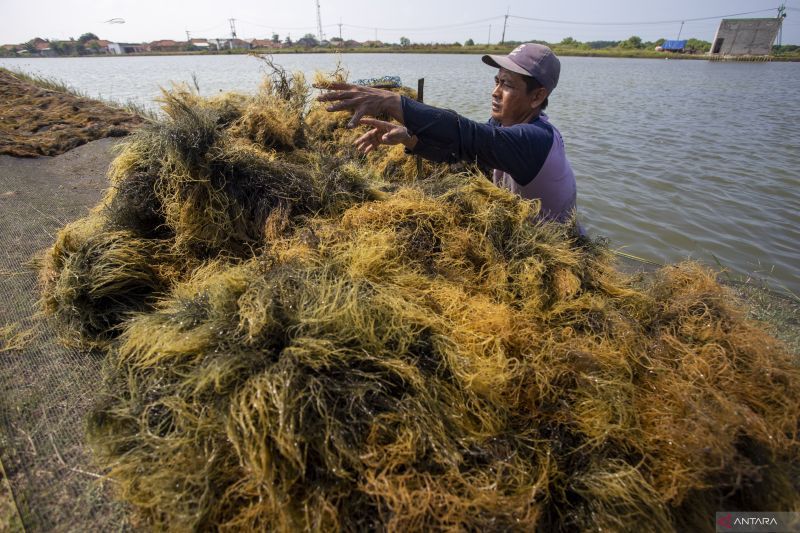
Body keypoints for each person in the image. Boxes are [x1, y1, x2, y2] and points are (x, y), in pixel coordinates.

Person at [318, 43, 578, 224]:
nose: (495, 92)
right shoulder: (502, 127)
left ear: (537, 96)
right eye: (497, 81)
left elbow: (466, 134)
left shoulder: (536, 140)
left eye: (507, 84)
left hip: (552, 249)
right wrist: (411, 138)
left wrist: (391, 101)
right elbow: (461, 151)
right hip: (523, 234)